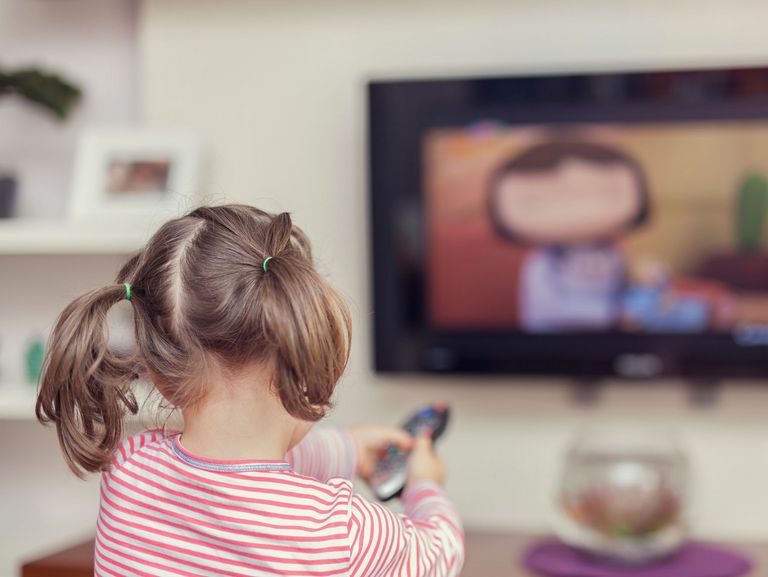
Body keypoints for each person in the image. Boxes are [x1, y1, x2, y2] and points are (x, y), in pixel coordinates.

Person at [36, 204, 464, 576]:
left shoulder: (129, 470)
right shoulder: (346, 532)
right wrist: (425, 486)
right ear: (309, 363)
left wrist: (349, 449)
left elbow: (236, 469)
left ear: (162, 378)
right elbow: (441, 553)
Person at [488, 140, 652, 332]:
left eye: (605, 194)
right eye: (534, 201)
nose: (580, 211)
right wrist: (610, 314)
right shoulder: (541, 262)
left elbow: (622, 287)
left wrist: (647, 284)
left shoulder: (613, 251)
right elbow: (550, 307)